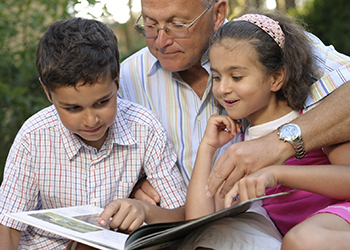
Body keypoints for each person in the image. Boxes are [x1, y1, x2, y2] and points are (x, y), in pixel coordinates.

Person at [119, 0, 350, 205]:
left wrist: (278, 143)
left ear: (218, 12)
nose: (161, 40)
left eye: (178, 24)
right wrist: (131, 184)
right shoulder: (125, 78)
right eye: (150, 25)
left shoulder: (277, 43)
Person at [0, 17, 186, 250]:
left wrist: (144, 210)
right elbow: (8, 225)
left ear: (117, 78)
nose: (90, 120)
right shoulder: (33, 137)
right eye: (73, 108)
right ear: (48, 93)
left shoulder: (145, 128)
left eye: (102, 102)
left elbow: (182, 216)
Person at [183, 13, 350, 249]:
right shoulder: (237, 145)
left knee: (304, 241)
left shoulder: (315, 119)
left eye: (237, 76)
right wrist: (207, 148)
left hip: (338, 221)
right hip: (284, 237)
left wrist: (277, 173)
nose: (223, 88)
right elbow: (199, 225)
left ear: (276, 78)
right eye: (217, 77)